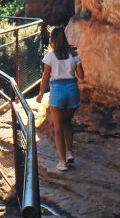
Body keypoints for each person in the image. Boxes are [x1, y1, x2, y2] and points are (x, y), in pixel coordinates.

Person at [36, 26, 84, 172]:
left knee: (57, 129)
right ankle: (69, 153)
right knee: (68, 123)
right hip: (72, 90)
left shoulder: (50, 57)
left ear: (52, 41)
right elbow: (81, 75)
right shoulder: (74, 55)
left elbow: (45, 78)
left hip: (58, 91)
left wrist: (41, 93)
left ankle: (62, 162)